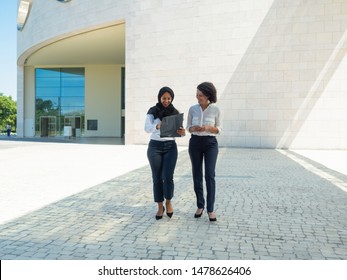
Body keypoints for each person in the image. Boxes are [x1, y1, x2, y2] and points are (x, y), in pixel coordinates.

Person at [145, 86, 185, 220]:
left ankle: (168, 202)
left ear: (172, 98)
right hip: (155, 146)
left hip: (170, 147)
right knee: (157, 178)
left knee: (168, 177)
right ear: (159, 98)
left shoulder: (175, 112)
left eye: (169, 98)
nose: (166, 101)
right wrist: (157, 126)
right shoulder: (152, 111)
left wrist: (183, 132)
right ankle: (159, 206)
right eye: (164, 98)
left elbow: (180, 132)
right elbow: (146, 128)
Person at [186, 82, 222, 222]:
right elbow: (188, 127)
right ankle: (200, 205)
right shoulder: (192, 109)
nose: (198, 97)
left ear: (208, 95)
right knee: (197, 174)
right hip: (195, 142)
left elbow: (219, 129)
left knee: (210, 176)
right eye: (197, 95)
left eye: (200, 95)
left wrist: (208, 128)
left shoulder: (216, 110)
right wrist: (193, 128)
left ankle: (210, 209)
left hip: (210, 144)